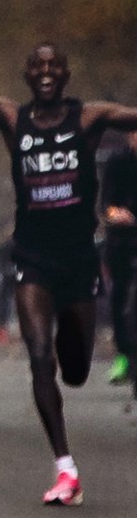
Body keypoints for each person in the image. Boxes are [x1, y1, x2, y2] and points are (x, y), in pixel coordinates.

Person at [0, 0, 137, 505]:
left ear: (66, 75)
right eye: (36, 66)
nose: (45, 72)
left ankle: (71, 357)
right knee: (39, 357)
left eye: (53, 66)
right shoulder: (9, 118)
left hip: (79, 261)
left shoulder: (90, 117)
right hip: (34, 259)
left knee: (76, 370)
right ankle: (65, 469)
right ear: (25, 74)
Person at [100, 132, 137, 387]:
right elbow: (106, 203)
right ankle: (123, 355)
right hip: (123, 240)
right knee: (119, 295)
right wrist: (115, 214)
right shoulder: (117, 163)